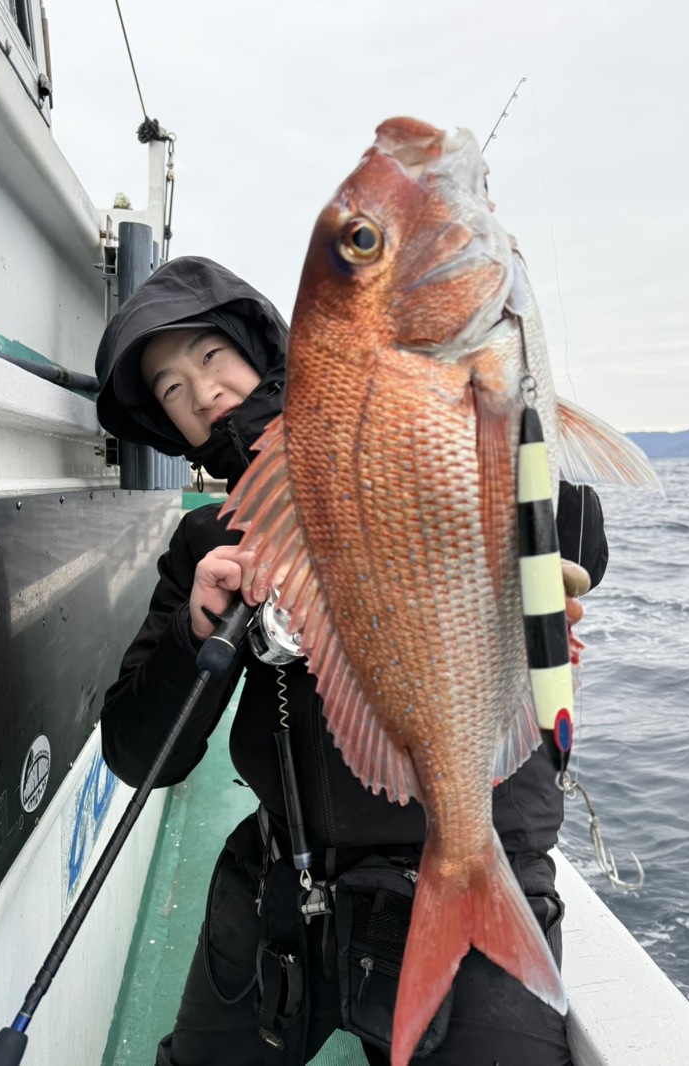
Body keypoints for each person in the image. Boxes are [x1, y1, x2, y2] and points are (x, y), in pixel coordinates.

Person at [95, 255, 609, 1066]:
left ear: (259, 345)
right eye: (169, 390)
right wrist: (198, 633)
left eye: (207, 356)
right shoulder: (204, 542)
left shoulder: (403, 442)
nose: (200, 393)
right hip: (283, 885)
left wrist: (486, 419)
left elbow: (584, 540)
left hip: (473, 852)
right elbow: (135, 752)